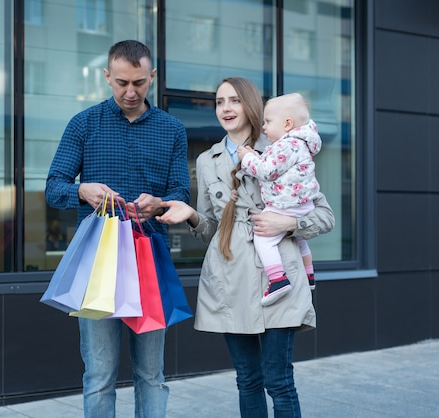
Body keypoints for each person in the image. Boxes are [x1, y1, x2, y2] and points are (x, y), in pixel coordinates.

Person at [156, 77, 334, 417]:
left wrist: (290, 223)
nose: (226, 108)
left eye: (234, 100)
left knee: (279, 380)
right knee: (247, 379)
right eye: (220, 101)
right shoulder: (208, 161)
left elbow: (325, 216)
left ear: (250, 105)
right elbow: (210, 228)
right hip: (230, 280)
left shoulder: (284, 146)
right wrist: (191, 215)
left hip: (278, 281)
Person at [45, 40, 190, 418]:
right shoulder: (83, 123)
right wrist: (81, 190)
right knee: (99, 374)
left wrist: (159, 204)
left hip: (149, 260)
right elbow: (53, 187)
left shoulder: (173, 130)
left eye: (139, 83)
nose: (130, 91)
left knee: (151, 374)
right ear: (107, 76)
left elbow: (180, 193)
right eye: (121, 82)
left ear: (152, 77)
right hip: (97, 265)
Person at [237, 93, 322, 306]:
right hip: (303, 204)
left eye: (268, 121)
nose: (264, 126)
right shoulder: (299, 143)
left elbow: (266, 171)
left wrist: (246, 158)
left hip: (286, 206)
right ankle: (309, 273)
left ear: (287, 124)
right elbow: (276, 166)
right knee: (300, 240)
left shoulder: (287, 145)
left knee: (264, 239)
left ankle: (277, 280)